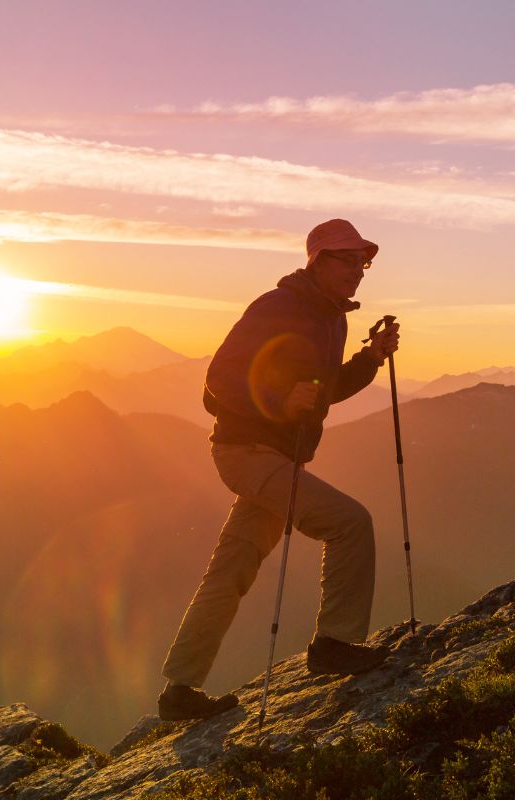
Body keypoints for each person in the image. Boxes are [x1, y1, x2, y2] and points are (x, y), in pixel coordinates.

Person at [158, 219, 401, 721]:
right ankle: (334, 643)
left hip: (273, 457)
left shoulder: (333, 319)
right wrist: (278, 400)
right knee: (349, 522)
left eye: (363, 262)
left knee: (230, 572)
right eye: (348, 260)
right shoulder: (278, 307)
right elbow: (220, 375)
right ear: (317, 260)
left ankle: (178, 692)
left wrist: (371, 358)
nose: (359, 271)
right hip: (245, 452)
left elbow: (325, 390)